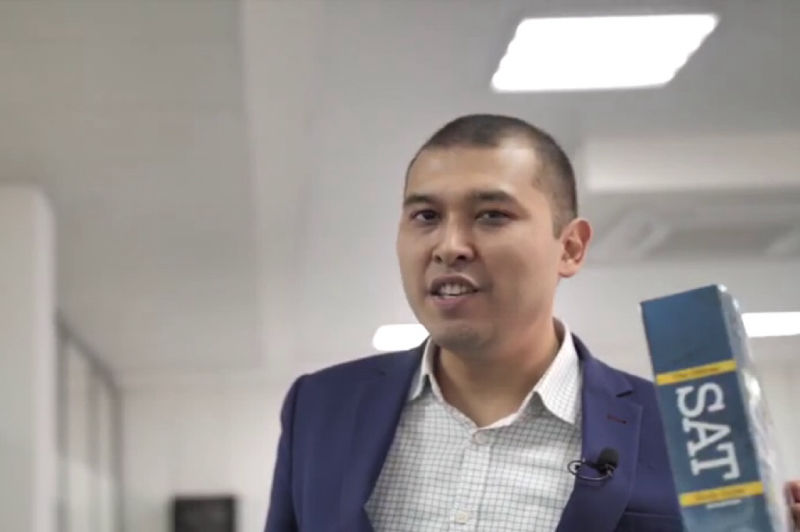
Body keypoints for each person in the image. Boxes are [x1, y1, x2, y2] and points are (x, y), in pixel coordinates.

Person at [265, 114, 800, 531]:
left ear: (570, 247)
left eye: (491, 215)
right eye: (426, 216)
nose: (449, 246)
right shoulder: (320, 408)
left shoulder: (686, 432)